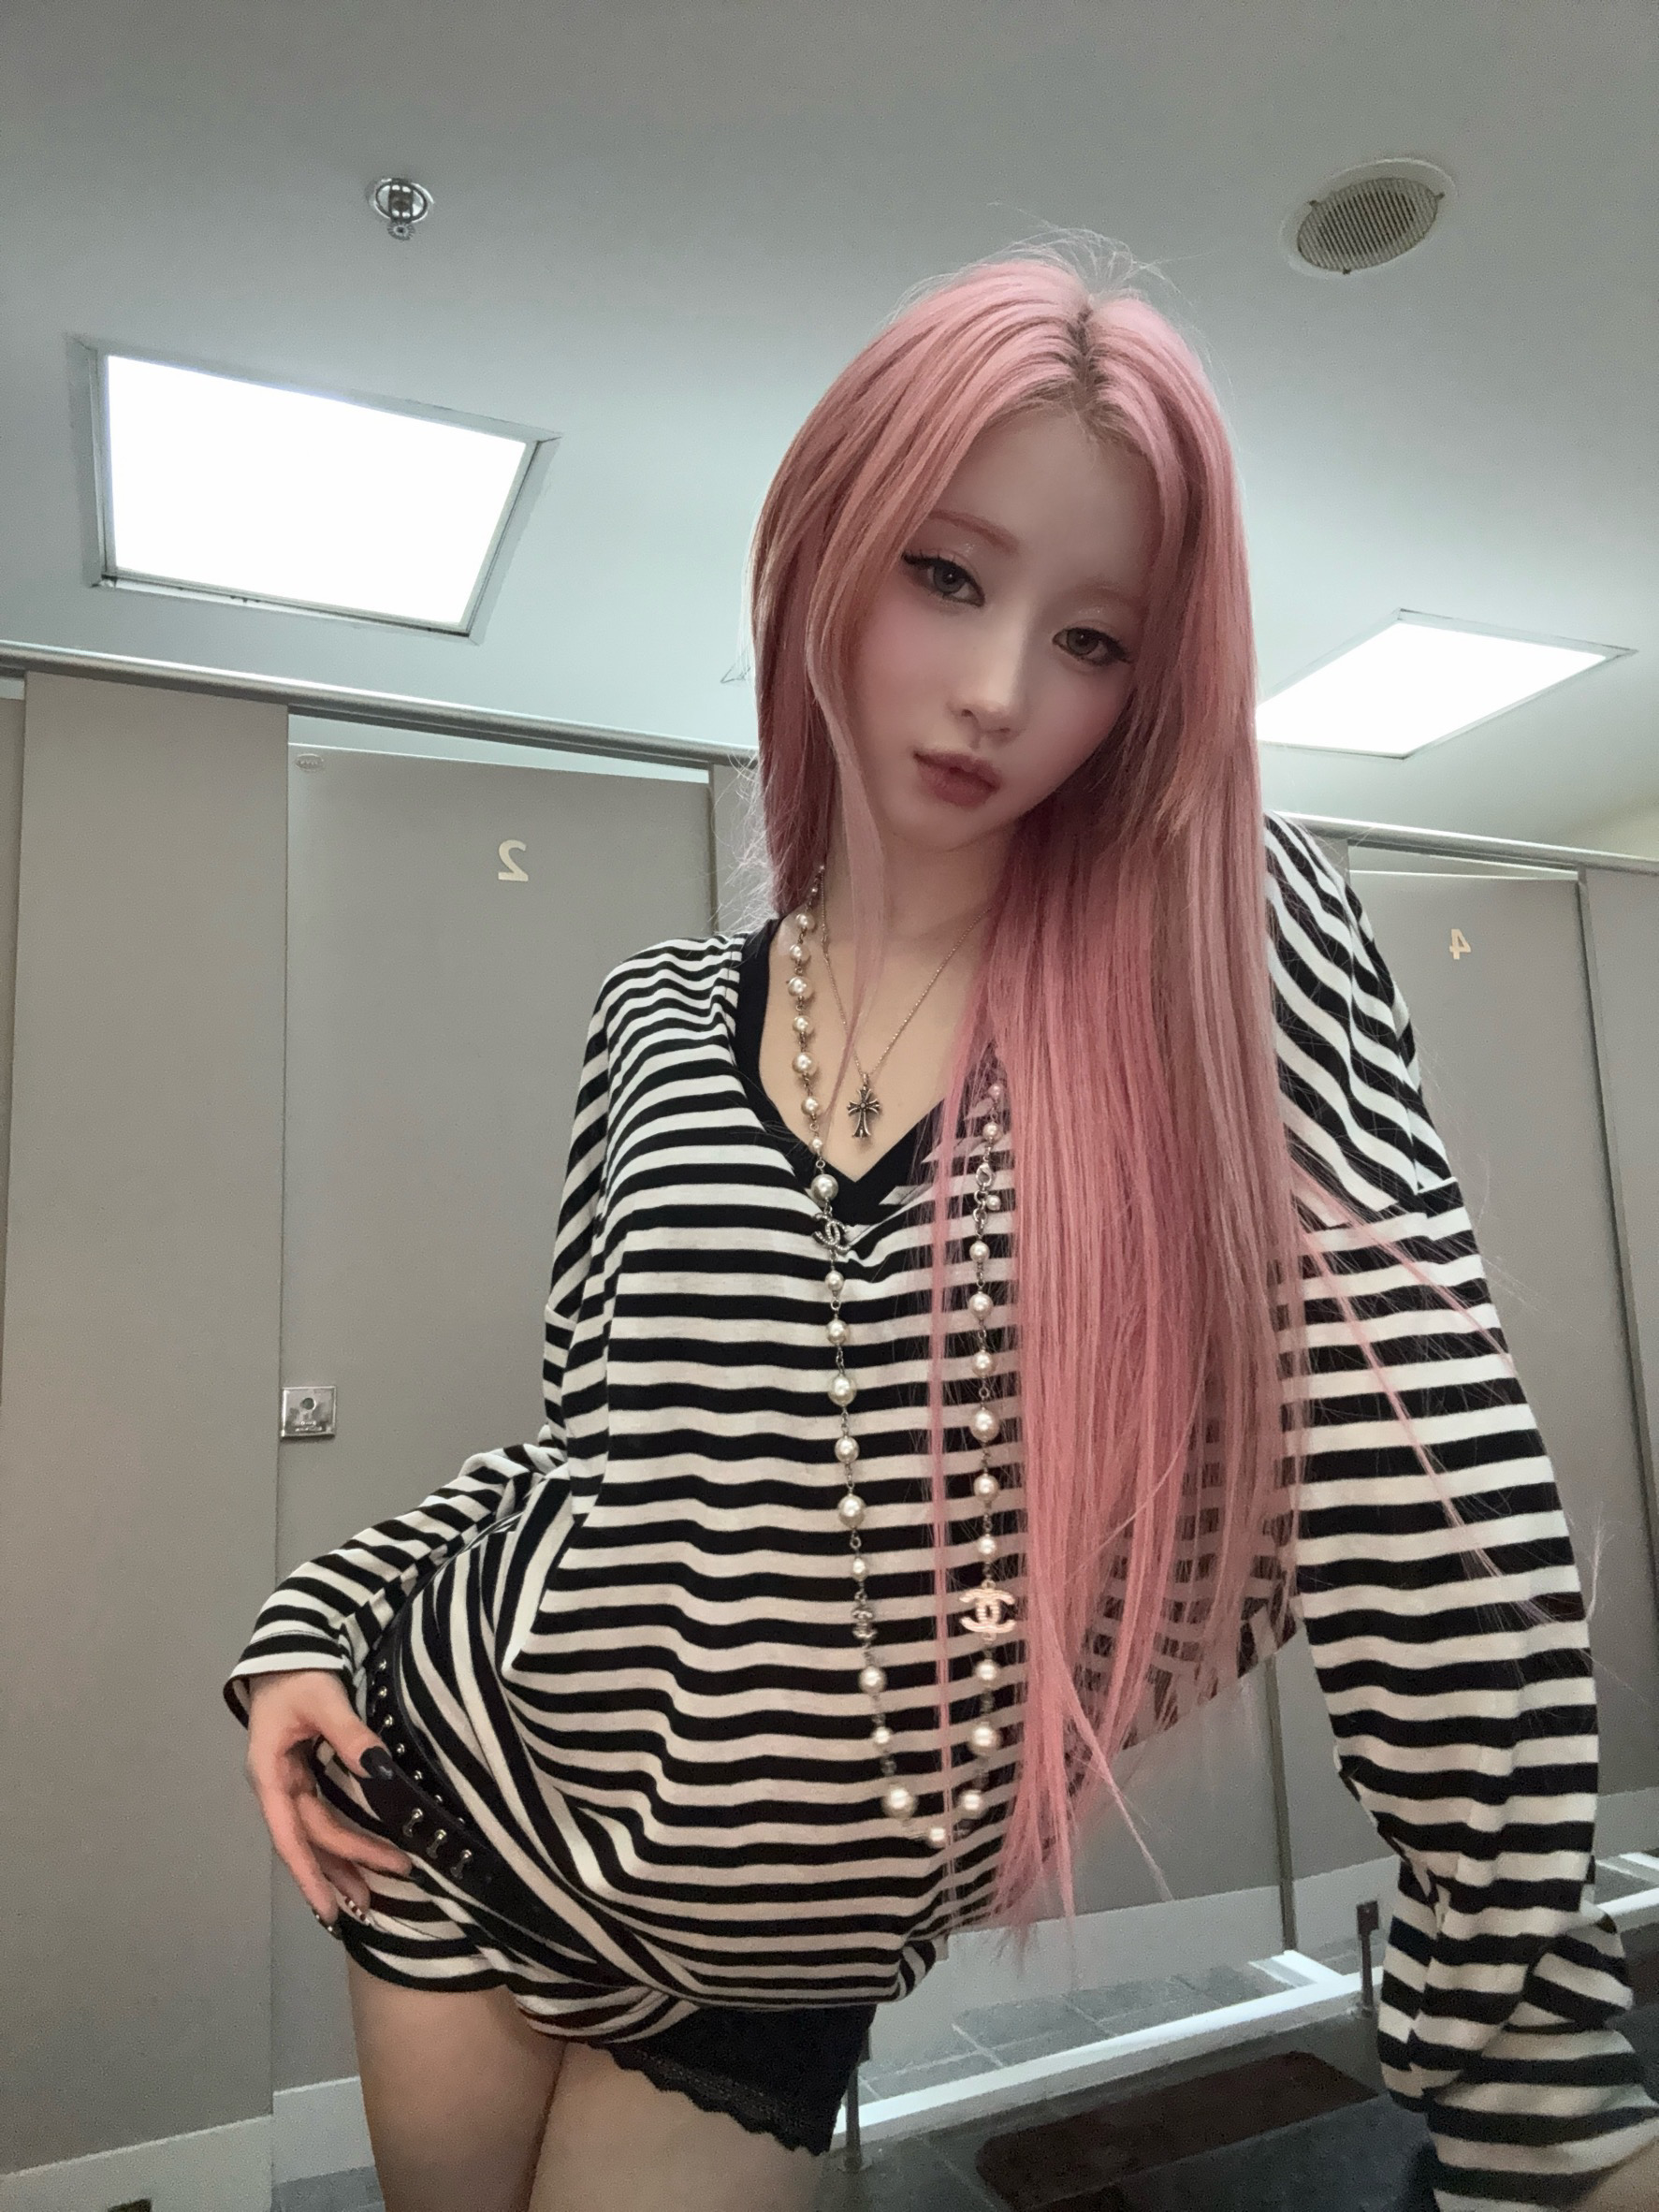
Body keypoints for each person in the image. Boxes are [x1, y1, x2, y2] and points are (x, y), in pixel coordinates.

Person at [226, 248, 1659, 2212]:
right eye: (946, 577)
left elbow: (1430, 1492)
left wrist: (1522, 2070)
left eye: (1094, 639)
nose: (999, 693)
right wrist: (316, 1615)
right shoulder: (656, 1018)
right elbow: (598, 1458)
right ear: (825, 549)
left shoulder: (1216, 941)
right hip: (466, 1797)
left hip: (770, 1961)